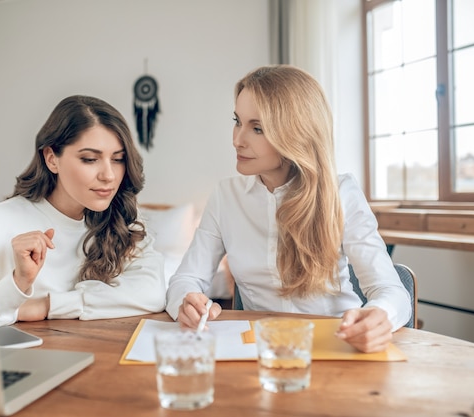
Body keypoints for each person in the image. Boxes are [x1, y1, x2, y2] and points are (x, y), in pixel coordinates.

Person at [165, 65, 411, 353]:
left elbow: (393, 292)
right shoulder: (225, 197)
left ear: (295, 134)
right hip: (258, 351)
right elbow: (185, 279)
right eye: (237, 121)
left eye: (257, 128)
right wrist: (185, 301)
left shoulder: (341, 193)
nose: (237, 139)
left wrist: (380, 316)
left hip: (336, 346)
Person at [0, 95, 166, 327]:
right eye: (90, 159)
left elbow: (152, 292)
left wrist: (48, 306)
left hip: (101, 353)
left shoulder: (124, 218)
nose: (108, 175)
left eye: (117, 159)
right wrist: (19, 281)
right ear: (51, 159)